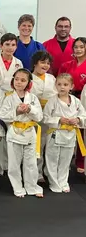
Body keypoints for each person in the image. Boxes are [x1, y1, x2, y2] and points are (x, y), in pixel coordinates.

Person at [0, 68, 43, 198]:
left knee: (31, 163)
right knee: (14, 164)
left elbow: (39, 117)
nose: (19, 82)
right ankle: (18, 188)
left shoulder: (33, 98)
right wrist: (16, 112)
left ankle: (32, 187)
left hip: (30, 132)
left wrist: (30, 109)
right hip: (14, 133)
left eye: (23, 80)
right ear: (13, 81)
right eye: (17, 79)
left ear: (29, 83)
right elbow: (2, 115)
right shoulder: (8, 98)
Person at [44, 73, 86, 192]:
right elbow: (45, 118)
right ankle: (54, 182)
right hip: (55, 133)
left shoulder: (76, 101)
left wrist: (78, 119)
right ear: (55, 86)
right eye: (59, 84)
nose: (62, 87)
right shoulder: (52, 101)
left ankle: (63, 181)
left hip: (70, 134)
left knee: (66, 160)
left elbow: (83, 115)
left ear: (71, 86)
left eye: (65, 85)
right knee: (52, 159)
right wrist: (58, 120)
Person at [0, 33, 23, 176]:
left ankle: (8, 165)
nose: (10, 48)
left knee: (11, 132)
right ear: (0, 46)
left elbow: (20, 82)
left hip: (13, 98)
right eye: (7, 44)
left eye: (13, 45)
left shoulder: (18, 63)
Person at [59, 37, 86, 173]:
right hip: (67, 97)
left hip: (84, 97)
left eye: (81, 47)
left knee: (81, 128)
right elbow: (60, 81)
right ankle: (66, 161)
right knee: (66, 126)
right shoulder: (66, 65)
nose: (78, 49)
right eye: (76, 47)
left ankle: (81, 161)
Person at [30, 51, 57, 182]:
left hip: (49, 115)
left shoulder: (51, 78)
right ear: (35, 63)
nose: (45, 65)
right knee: (36, 145)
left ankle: (49, 171)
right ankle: (36, 172)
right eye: (42, 62)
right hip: (33, 116)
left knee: (49, 145)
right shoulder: (28, 77)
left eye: (48, 63)